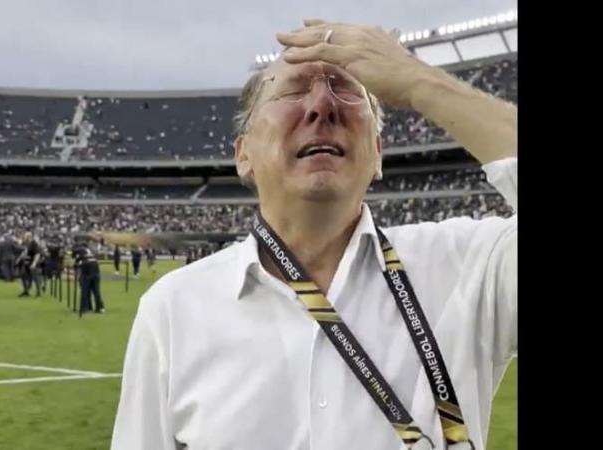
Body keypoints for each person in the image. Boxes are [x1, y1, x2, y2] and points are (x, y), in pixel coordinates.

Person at [112, 21, 516, 449]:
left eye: (346, 89)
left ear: (377, 154)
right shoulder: (174, 310)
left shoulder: (470, 264)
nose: (322, 105)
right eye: (292, 91)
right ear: (243, 155)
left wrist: (417, 79)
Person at [72, 241, 105, 313]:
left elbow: (76, 261)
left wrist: (75, 266)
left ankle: (85, 308)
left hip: (87, 271)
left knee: (84, 290)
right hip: (96, 270)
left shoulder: (80, 250)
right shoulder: (91, 252)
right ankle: (100, 307)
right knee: (96, 291)